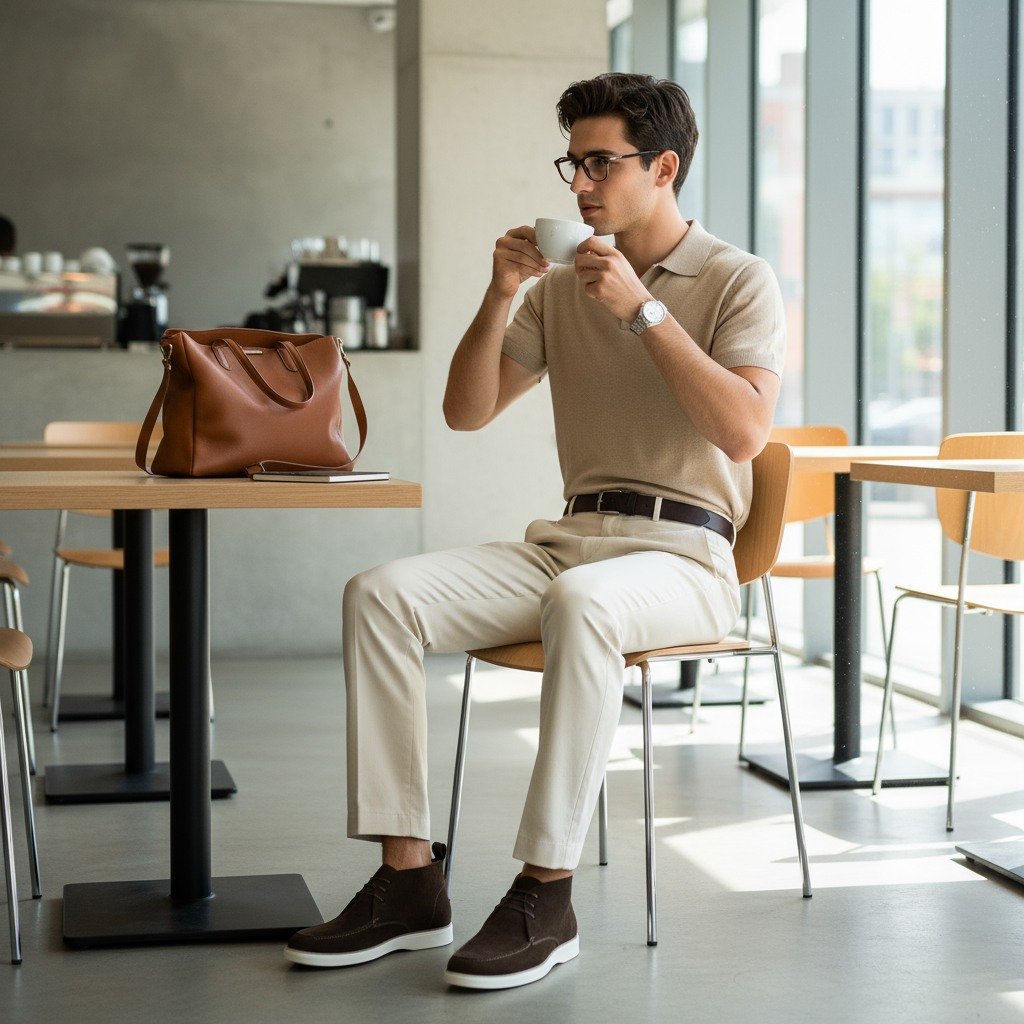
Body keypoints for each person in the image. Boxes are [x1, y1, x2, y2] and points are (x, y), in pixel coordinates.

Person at [285, 71, 786, 990]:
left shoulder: (735, 279)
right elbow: (465, 411)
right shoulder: (561, 287)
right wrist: (500, 290)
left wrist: (644, 311)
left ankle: (544, 894)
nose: (581, 183)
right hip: (571, 540)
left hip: (686, 556)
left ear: (664, 165)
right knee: (381, 595)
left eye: (602, 161)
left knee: (582, 603)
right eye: (573, 162)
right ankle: (407, 881)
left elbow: (746, 432)